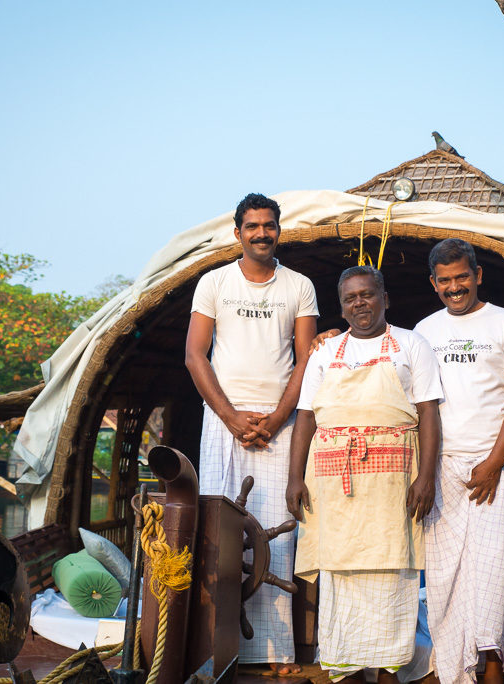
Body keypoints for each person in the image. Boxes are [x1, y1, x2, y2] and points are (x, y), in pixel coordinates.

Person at [286, 266, 442, 683]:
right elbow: (305, 417)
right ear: (342, 306)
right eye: (351, 298)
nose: (360, 303)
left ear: (385, 299)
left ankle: (389, 671)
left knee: (392, 574)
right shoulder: (324, 353)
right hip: (333, 487)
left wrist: (425, 477)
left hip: (393, 485)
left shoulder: (412, 344)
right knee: (339, 577)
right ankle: (346, 671)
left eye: (368, 295)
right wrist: (294, 477)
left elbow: (428, 412)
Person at [184, 193, 318, 674]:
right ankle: (218, 648)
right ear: (237, 233)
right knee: (221, 535)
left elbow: (307, 360)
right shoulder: (213, 282)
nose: (262, 233)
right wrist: (230, 416)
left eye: (270, 226)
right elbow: (195, 356)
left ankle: (275, 653)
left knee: (276, 535)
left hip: (279, 425)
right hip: (225, 422)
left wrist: (281, 416)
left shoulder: (299, 286)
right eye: (253, 226)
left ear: (280, 230)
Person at [413, 238, 504, 684]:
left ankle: (491, 663)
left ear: (478, 275)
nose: (455, 287)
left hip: (491, 465)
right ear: (433, 284)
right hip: (440, 467)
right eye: (444, 280)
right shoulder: (424, 331)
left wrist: (494, 462)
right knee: (444, 576)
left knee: (489, 570)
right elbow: (418, 402)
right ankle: (450, 666)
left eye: (462, 277)